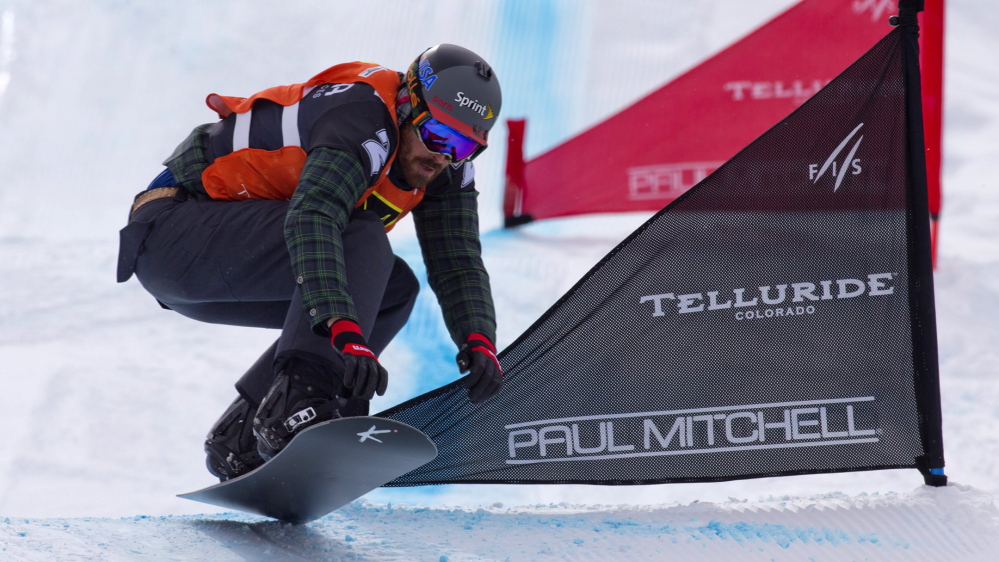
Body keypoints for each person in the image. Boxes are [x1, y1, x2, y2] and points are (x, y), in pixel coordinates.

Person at [116, 44, 504, 481]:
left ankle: (241, 436)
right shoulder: (362, 118)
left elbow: (459, 260)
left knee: (394, 291)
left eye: (465, 145)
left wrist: (478, 339)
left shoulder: (446, 163)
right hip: (173, 238)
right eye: (437, 135)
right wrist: (343, 332)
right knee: (360, 234)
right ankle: (298, 404)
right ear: (406, 104)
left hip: (223, 266)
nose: (443, 156)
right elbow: (314, 217)